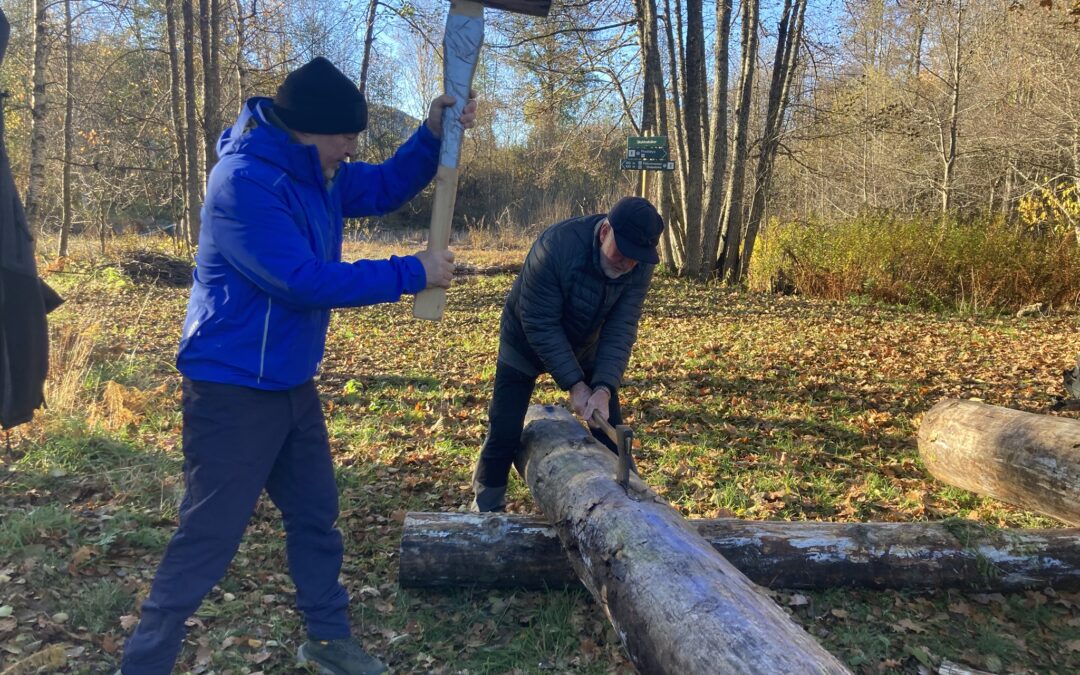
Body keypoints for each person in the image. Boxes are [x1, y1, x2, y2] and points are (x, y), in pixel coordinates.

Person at [119, 57, 473, 675]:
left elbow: (387, 186)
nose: (352, 147)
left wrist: (432, 135)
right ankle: (144, 662)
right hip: (230, 389)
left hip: (289, 382)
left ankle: (329, 641)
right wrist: (410, 271)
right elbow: (299, 280)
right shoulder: (244, 184)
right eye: (344, 136)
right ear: (305, 129)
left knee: (315, 516)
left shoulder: (320, 172)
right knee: (209, 536)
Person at [470, 196, 665, 512]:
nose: (627, 262)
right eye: (623, 251)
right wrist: (574, 383)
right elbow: (539, 322)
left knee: (609, 429)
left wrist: (602, 387)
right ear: (604, 232)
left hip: (587, 344)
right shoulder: (555, 247)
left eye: (636, 257)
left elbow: (622, 326)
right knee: (505, 430)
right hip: (524, 339)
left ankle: (637, 509)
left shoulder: (639, 266)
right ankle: (486, 507)